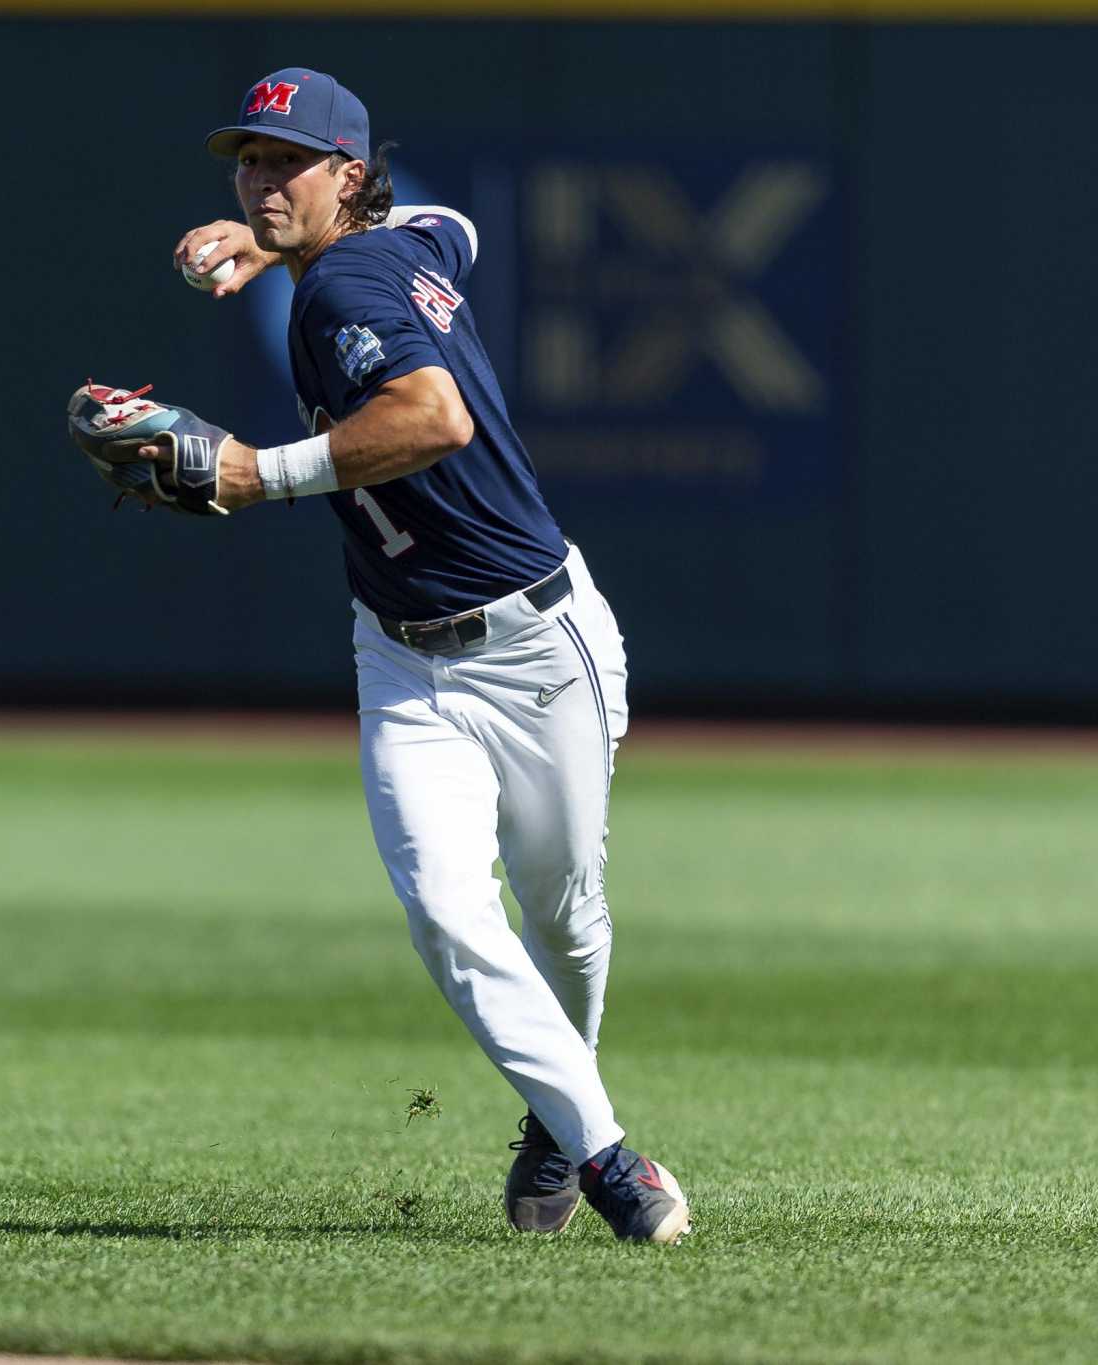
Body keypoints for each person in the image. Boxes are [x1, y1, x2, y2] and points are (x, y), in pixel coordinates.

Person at [172, 68, 689, 1243]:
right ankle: (604, 1156)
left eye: (283, 162)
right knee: (450, 914)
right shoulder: (395, 248)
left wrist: (260, 472)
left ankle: (555, 1123)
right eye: (246, 161)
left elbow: (433, 417)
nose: (257, 180)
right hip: (399, 657)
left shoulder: (341, 285)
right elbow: (445, 226)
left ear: (345, 176)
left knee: (563, 917)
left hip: (536, 644)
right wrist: (269, 251)